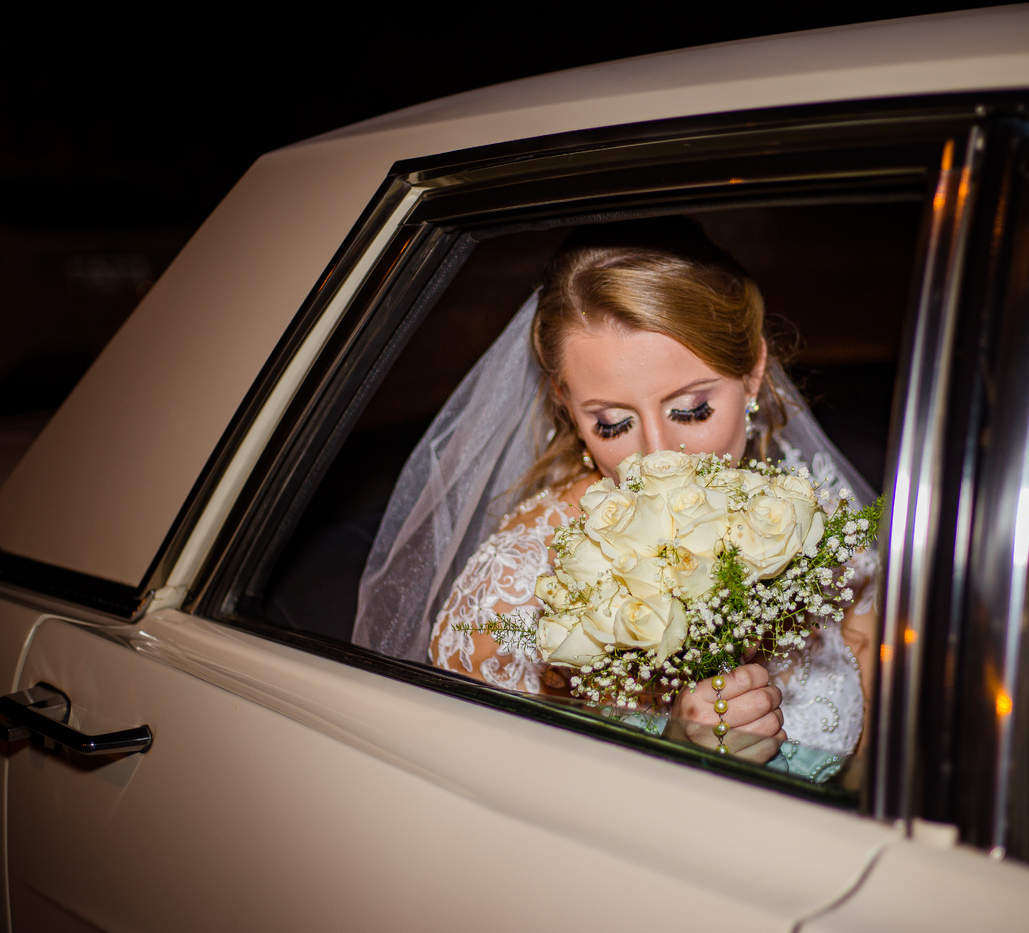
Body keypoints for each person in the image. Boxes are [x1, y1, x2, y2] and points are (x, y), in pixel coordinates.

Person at [354, 219, 877, 773]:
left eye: (692, 410)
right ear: (566, 401)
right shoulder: (514, 597)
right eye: (612, 423)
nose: (657, 455)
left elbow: (872, 734)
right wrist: (675, 755)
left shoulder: (815, 521)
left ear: (752, 373)